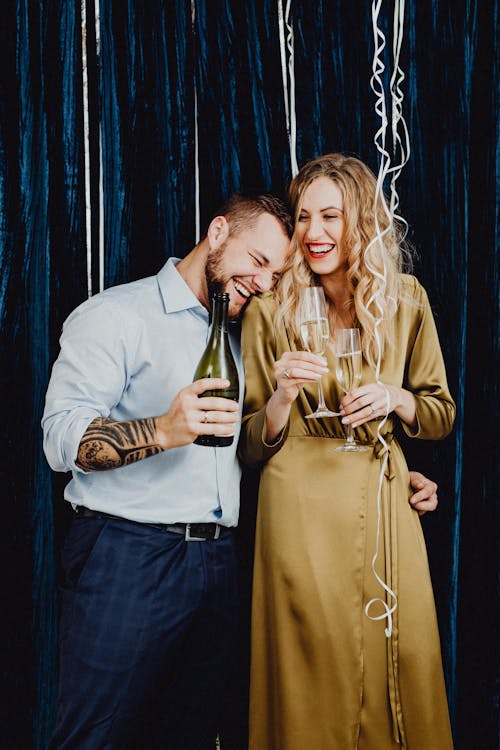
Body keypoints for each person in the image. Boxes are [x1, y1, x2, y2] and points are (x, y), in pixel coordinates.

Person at [41, 193, 291, 750]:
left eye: (276, 273)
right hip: (126, 558)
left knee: (193, 736)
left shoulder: (240, 334)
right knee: (95, 739)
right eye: (258, 261)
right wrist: (162, 429)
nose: (266, 283)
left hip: (219, 563)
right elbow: (62, 441)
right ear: (219, 232)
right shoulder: (117, 314)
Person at [239, 153, 455, 749]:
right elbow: (250, 447)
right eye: (304, 216)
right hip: (298, 508)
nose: (313, 233)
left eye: (330, 216)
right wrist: (282, 394)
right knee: (314, 670)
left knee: (402, 655)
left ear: (360, 221)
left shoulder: (405, 299)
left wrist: (396, 398)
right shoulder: (267, 308)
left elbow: (440, 414)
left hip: (385, 506)